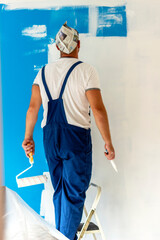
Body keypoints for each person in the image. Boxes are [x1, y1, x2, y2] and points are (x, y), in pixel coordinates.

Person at [22, 22, 115, 240]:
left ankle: (61, 235)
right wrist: (108, 142)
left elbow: (33, 108)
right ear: (78, 44)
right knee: (73, 193)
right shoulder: (86, 70)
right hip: (75, 138)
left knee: (60, 192)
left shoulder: (43, 73)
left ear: (57, 48)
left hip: (50, 138)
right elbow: (98, 109)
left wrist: (28, 138)